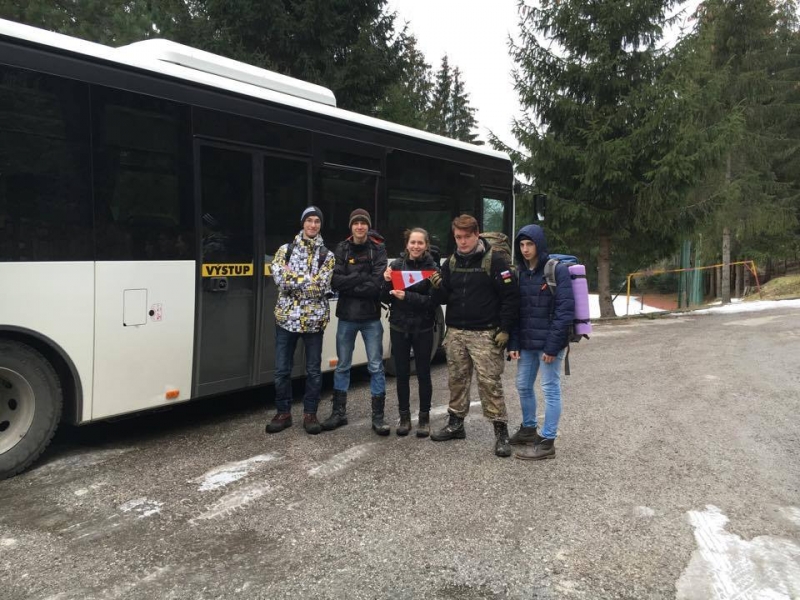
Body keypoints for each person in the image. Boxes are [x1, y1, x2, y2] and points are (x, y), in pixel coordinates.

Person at [431, 214, 520, 456]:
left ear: (476, 234)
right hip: (456, 332)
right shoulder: (451, 262)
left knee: (489, 384)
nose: (462, 242)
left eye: (466, 237)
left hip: (485, 334)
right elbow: (444, 298)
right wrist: (438, 286)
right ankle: (456, 424)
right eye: (458, 237)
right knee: (457, 380)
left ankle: (501, 432)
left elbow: (511, 297)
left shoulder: (496, 261)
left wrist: (505, 328)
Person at [265, 206, 335, 435]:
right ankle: (283, 413)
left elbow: (320, 287)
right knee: (281, 370)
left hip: (314, 322)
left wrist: (293, 279)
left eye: (317, 221)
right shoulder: (285, 250)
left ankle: (310, 414)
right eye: (309, 220)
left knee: (313, 371)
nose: (313, 225)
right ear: (303, 223)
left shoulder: (327, 255)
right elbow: (279, 279)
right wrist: (307, 280)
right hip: (286, 320)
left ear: (320, 225)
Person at [507, 224, 575, 460]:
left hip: (549, 345)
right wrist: (513, 343)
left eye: (530, 244)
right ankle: (528, 429)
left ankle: (547, 441)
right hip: (527, 343)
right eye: (521, 245)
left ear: (539, 245)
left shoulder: (557, 271)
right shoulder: (519, 273)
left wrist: (552, 346)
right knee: (523, 386)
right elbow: (516, 312)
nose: (525, 249)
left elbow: (564, 312)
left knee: (550, 389)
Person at [321, 208, 389, 434]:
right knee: (342, 366)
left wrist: (351, 282)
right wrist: (362, 277)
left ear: (368, 226)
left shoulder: (378, 249)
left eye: (363, 223)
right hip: (347, 317)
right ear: (351, 226)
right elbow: (335, 282)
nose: (360, 226)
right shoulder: (342, 248)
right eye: (356, 223)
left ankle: (378, 417)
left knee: (376, 366)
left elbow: (377, 284)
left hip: (371, 317)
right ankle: (339, 413)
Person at [381, 228, 442, 437]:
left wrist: (407, 297)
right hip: (399, 326)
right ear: (407, 244)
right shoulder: (396, 266)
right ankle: (404, 417)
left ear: (426, 245)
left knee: (423, 374)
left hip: (423, 328)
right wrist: (386, 281)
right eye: (412, 242)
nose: (416, 246)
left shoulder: (433, 269)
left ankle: (424, 419)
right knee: (402, 374)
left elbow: (433, 302)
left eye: (420, 243)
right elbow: (384, 298)